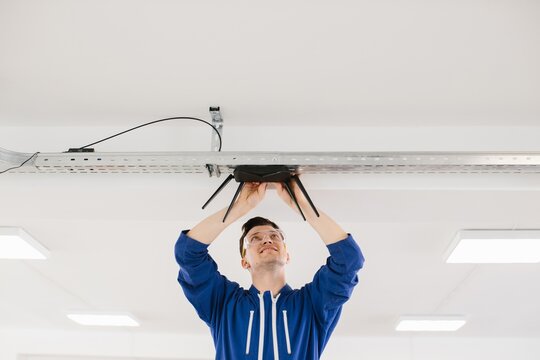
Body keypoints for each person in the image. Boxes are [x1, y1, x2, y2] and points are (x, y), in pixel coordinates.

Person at [175, 181, 364, 360]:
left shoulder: (312, 304)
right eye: (255, 238)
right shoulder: (224, 304)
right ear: (244, 261)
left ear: (287, 255)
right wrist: (241, 206)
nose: (267, 240)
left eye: (275, 236)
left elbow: (348, 259)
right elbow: (187, 253)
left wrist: (302, 204)